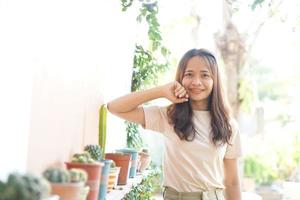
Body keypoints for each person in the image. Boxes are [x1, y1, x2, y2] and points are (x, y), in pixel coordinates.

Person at [107, 48, 242, 200]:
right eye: (189, 74)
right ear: (180, 78)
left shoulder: (228, 124)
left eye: (205, 75)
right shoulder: (168, 116)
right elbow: (114, 107)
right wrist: (161, 91)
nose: (196, 82)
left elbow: (232, 182)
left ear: (214, 80)